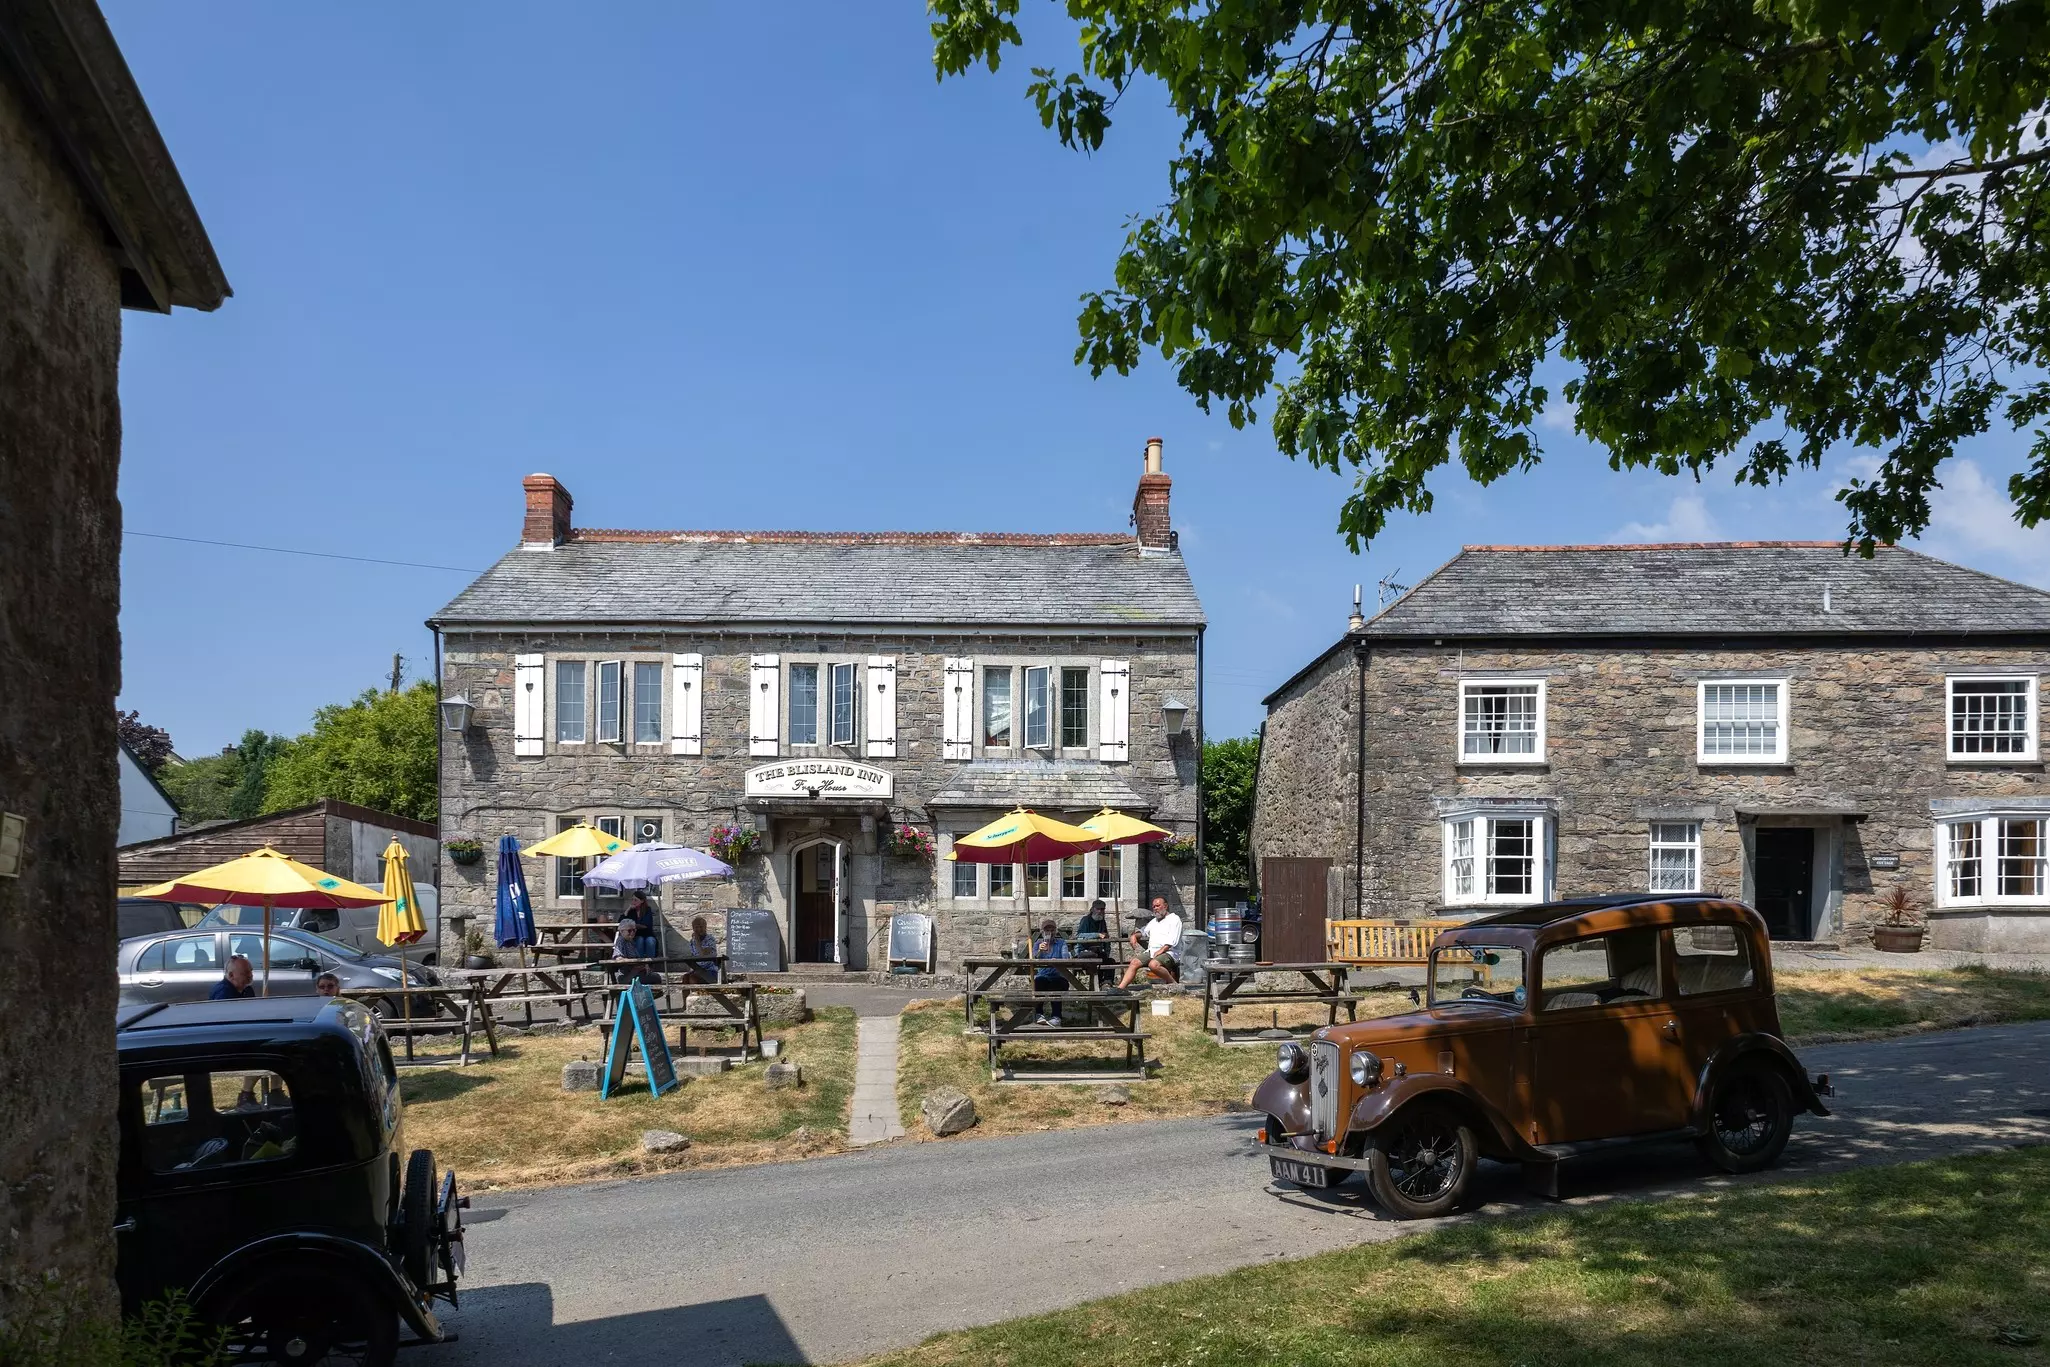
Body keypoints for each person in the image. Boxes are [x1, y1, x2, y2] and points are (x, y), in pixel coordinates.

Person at [1116, 897, 1183, 990]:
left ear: (1165, 906)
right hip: (1152, 951)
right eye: (1154, 906)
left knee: (1153, 964)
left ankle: (1173, 984)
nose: (1155, 908)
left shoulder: (1174, 919)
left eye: (1158, 906)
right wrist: (1134, 935)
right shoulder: (1154, 921)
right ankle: (1120, 989)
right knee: (1134, 962)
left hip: (1170, 952)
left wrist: (1161, 950)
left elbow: (1173, 941)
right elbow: (1143, 931)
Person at [1030, 919, 1069, 1025]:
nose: (1050, 933)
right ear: (1042, 932)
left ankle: (1056, 1016)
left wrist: (1059, 961)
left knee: (1056, 984)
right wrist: (1039, 951)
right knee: (1038, 982)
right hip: (1043, 975)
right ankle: (1039, 1014)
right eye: (1047, 930)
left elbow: (1066, 958)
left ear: (1055, 931)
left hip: (1058, 975)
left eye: (1052, 930)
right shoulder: (1038, 943)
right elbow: (1032, 959)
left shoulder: (1061, 943)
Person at [682, 916, 721, 984]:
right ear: (693, 929)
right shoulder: (692, 941)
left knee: (693, 978)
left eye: (701, 926)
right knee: (685, 978)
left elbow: (702, 954)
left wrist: (697, 942)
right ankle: (687, 995)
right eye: (696, 927)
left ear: (705, 927)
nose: (699, 929)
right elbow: (693, 956)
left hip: (709, 970)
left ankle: (695, 994)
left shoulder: (710, 939)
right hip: (697, 970)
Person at [625, 890, 660, 961]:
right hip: (635, 936)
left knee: (650, 941)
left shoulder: (647, 910)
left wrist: (633, 925)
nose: (633, 902)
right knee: (640, 939)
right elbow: (622, 922)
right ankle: (640, 964)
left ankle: (649, 965)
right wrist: (627, 910)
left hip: (648, 935)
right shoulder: (631, 911)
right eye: (632, 900)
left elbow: (646, 924)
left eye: (635, 900)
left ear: (642, 901)